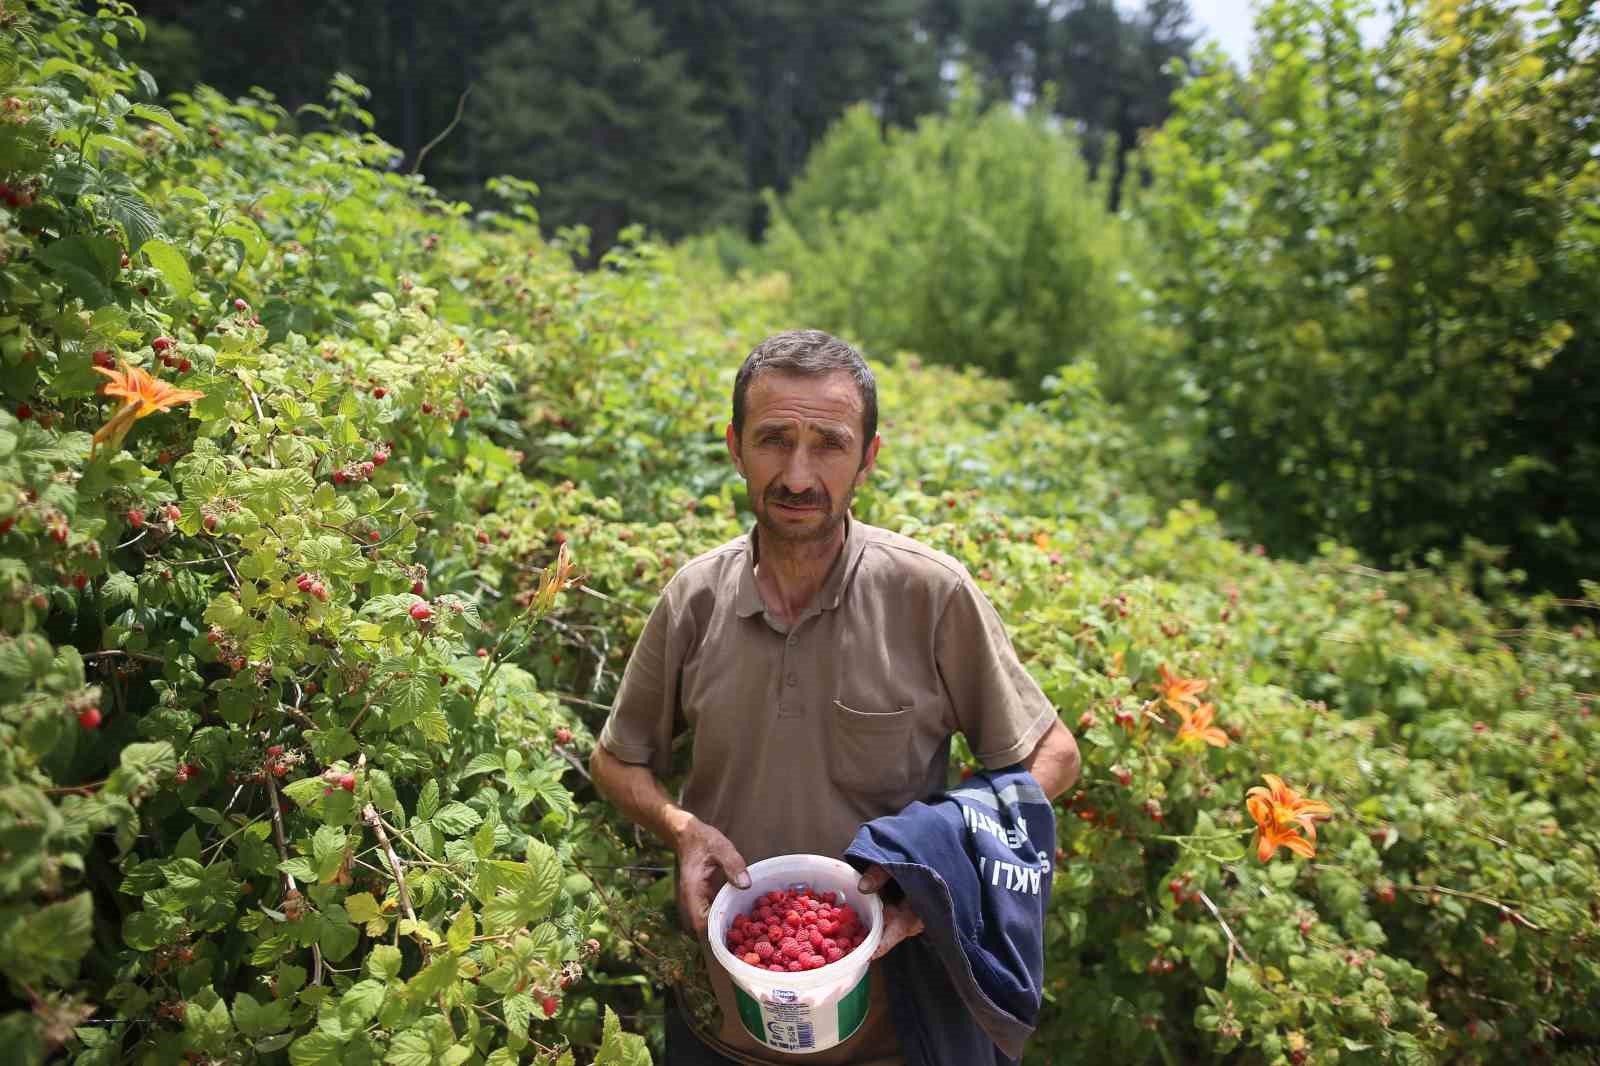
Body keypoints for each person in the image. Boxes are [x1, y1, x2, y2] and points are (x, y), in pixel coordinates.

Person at [590, 329, 1081, 1065]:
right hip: (720, 1019)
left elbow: (1053, 755)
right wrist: (680, 827)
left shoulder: (928, 595)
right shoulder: (695, 599)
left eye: (828, 444)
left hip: (894, 1029)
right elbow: (615, 761)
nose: (797, 473)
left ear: (868, 459)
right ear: (734, 446)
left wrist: (938, 870)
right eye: (774, 440)